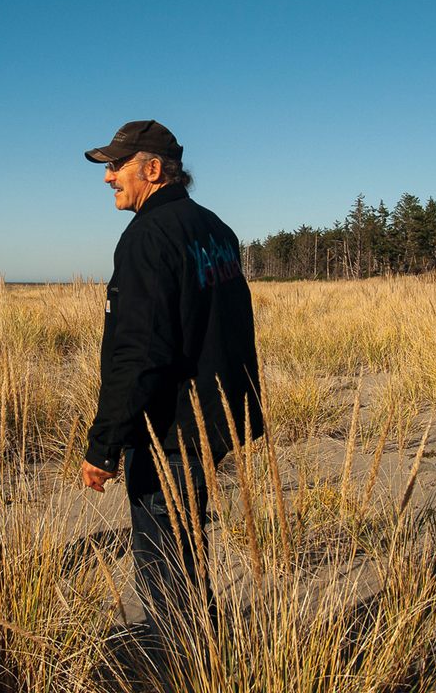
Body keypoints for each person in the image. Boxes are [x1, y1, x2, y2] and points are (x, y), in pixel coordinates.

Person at [79, 119, 264, 646]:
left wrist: (104, 445)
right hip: (211, 421)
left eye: (117, 166)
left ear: (153, 169)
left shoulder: (147, 237)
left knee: (164, 567)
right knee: (187, 549)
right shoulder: (215, 229)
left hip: (169, 431)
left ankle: (185, 668)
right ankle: (208, 656)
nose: (108, 177)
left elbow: (139, 352)